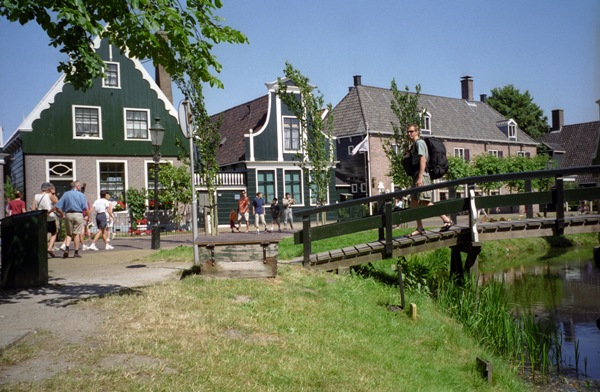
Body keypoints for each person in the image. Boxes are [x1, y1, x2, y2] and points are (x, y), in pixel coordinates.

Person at [407, 123, 453, 236]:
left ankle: (446, 220)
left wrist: (420, 177)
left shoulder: (420, 143)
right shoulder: (414, 145)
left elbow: (422, 160)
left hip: (422, 175)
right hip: (416, 175)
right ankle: (420, 228)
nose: (409, 134)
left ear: (417, 132)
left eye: (411, 131)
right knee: (413, 201)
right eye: (408, 132)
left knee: (425, 201)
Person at [54, 180, 89, 258]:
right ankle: (76, 252)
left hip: (68, 214)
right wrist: (88, 216)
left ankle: (67, 248)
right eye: (79, 186)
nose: (80, 187)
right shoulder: (81, 195)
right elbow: (85, 208)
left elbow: (57, 207)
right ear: (77, 186)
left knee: (69, 233)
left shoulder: (66, 194)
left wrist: (62, 214)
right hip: (78, 214)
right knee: (76, 234)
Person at [32, 182, 60, 258]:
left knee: (43, 235)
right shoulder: (50, 195)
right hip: (50, 217)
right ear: (48, 189)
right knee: (54, 233)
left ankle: (41, 251)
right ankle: (49, 248)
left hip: (41, 218)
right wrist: (62, 214)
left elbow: (34, 209)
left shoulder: (36, 196)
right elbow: (58, 205)